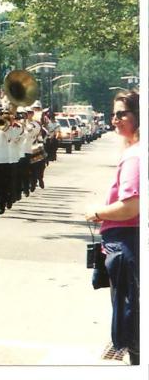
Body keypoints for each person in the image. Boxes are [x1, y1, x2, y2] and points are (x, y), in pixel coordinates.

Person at [85, 90, 140, 365]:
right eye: (114, 114)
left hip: (129, 242)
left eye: (122, 113)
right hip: (129, 242)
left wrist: (95, 212)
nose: (115, 119)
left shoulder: (135, 156)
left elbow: (130, 207)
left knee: (131, 316)